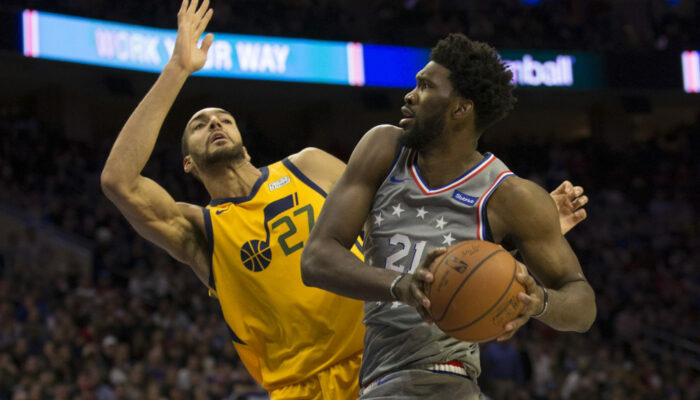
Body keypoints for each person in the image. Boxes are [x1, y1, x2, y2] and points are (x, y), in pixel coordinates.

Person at [101, 2, 589, 398]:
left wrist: (516, 239)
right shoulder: (199, 231)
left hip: (385, 366)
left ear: (244, 138)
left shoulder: (308, 165)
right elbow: (120, 181)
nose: (213, 123)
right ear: (187, 162)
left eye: (222, 117)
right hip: (302, 389)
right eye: (198, 124)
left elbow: (407, 224)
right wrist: (177, 69)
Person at [300, 33, 596, 400]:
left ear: (461, 109)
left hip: (446, 379)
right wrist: (401, 285)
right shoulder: (383, 149)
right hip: (378, 379)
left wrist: (540, 303)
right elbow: (315, 259)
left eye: (424, 87)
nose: (409, 95)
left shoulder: (511, 197)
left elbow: (582, 304)